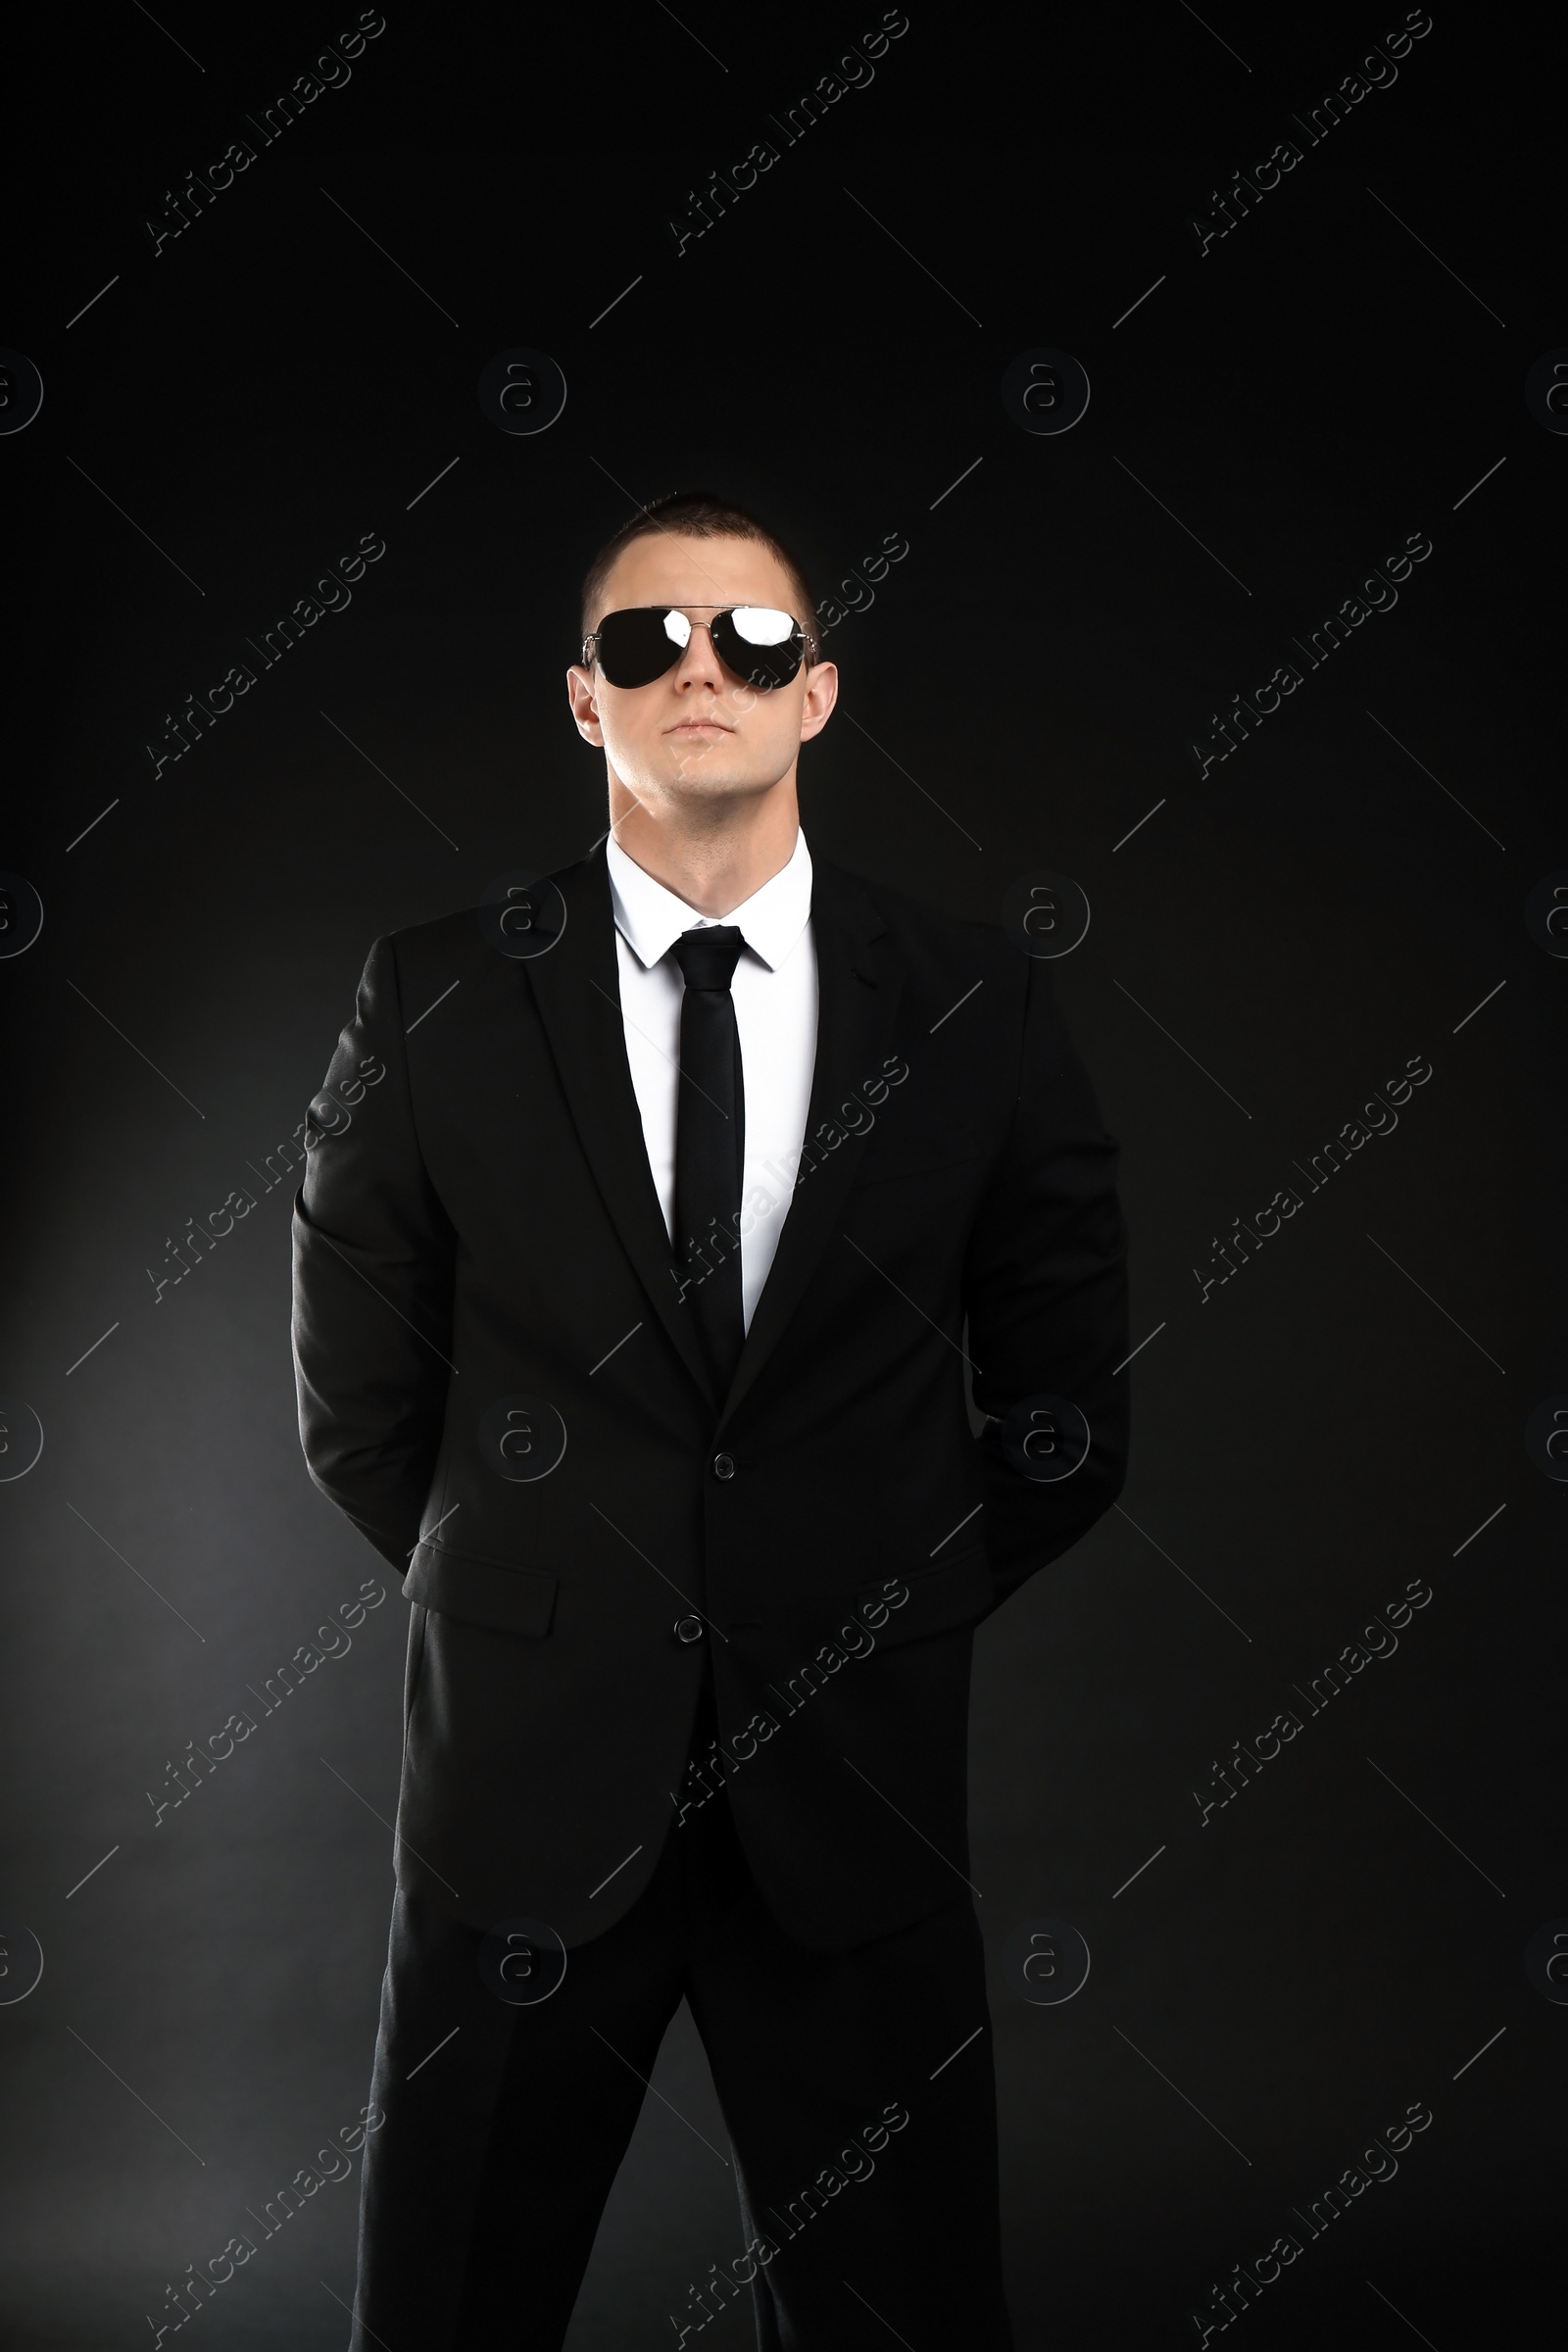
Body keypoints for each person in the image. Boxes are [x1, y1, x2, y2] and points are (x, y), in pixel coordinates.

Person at [291, 489, 1130, 2350]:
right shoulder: (436, 997)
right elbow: (362, 1410)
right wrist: (539, 1589)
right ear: (583, 699)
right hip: (524, 1793)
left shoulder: (979, 1009)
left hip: (854, 1790)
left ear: (817, 696)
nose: (702, 671)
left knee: (901, 2313)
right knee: (448, 2310)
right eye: (648, 639)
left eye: (752, 643)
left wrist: (874, 1588)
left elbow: (1071, 1413)